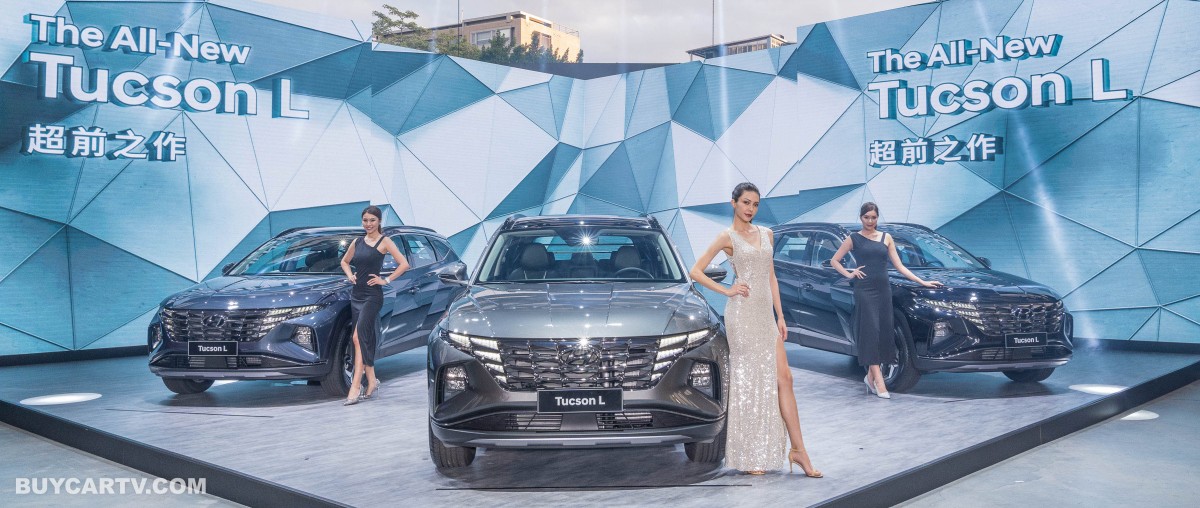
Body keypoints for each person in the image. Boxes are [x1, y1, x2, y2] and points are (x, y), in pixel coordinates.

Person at [690, 182, 822, 477]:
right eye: (746, 202)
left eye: (755, 204)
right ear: (733, 203)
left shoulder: (767, 234)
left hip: (765, 316)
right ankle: (752, 454)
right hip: (742, 315)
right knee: (750, 383)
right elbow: (695, 271)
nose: (750, 208)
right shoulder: (727, 237)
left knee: (785, 379)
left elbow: (771, 276)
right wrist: (727, 290)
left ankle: (798, 451)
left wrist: (781, 316)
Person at [829, 202, 942, 399]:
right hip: (864, 290)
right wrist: (849, 273)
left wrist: (922, 282)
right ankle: (879, 381)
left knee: (883, 333)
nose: (870, 221)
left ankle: (869, 378)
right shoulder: (853, 238)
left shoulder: (886, 238)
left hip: (883, 290)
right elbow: (834, 260)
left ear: (877, 218)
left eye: (873, 217)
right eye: (866, 217)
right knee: (870, 332)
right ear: (861, 218)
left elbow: (900, 266)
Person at [339, 206, 409, 405]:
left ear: (379, 221)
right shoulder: (357, 241)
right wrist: (350, 275)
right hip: (357, 295)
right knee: (363, 339)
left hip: (373, 296)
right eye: (365, 220)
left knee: (357, 337)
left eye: (372, 220)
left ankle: (355, 385)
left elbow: (404, 264)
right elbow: (345, 261)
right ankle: (371, 381)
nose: (368, 224)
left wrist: (385, 280)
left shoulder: (384, 241)